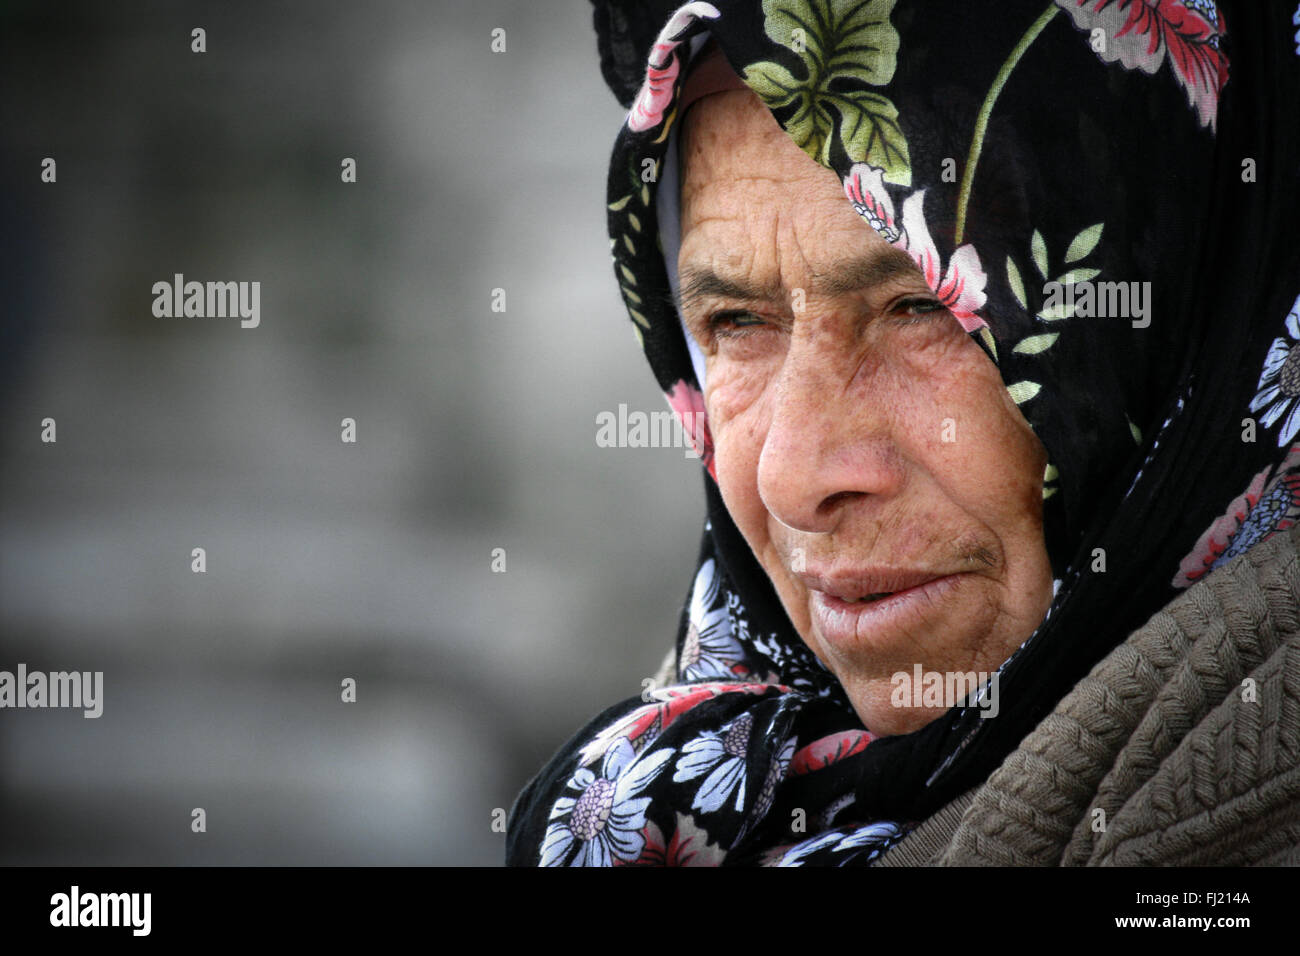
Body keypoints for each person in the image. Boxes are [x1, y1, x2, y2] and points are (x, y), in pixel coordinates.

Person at [507, 0, 1300, 865]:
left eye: (924, 306)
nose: (792, 476)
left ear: (1184, 304)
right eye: (735, 321)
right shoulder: (689, 783)